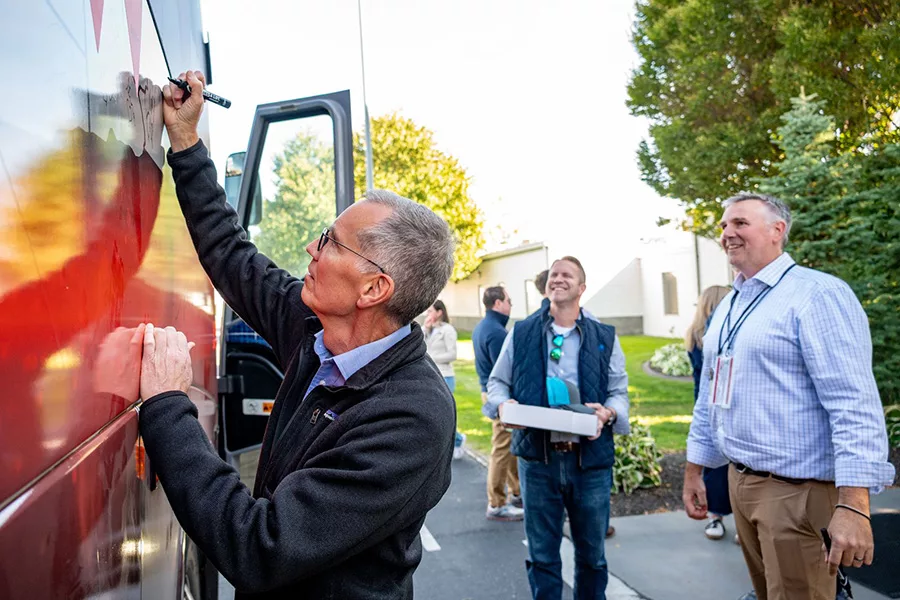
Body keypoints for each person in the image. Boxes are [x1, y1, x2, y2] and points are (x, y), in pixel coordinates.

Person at [136, 70, 458, 599]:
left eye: (331, 242)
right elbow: (234, 257)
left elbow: (258, 547)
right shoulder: (321, 332)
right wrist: (187, 142)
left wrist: (168, 405)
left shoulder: (412, 418)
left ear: (374, 289)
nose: (312, 247)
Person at [683, 193, 895, 600]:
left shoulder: (817, 295)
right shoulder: (731, 304)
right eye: (724, 226)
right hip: (740, 484)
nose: (727, 233)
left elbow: (853, 403)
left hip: (798, 493)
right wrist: (696, 469)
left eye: (740, 223)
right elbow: (711, 397)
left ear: (777, 230)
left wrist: (854, 505)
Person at [487, 256, 630, 600]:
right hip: (538, 463)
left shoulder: (603, 336)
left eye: (568, 275)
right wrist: (504, 405)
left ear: (582, 288)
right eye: (554, 274)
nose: (558, 279)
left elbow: (619, 393)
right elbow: (497, 384)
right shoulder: (521, 333)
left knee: (592, 558)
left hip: (590, 463)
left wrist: (607, 413)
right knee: (542, 557)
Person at [684, 285, 731, 541]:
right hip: (716, 401)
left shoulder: (694, 334)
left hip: (701, 401)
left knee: (713, 464)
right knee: (725, 463)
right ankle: (722, 514)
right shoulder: (709, 336)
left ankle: (715, 517)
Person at [473, 286, 523, 521]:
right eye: (509, 300)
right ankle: (496, 503)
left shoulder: (483, 327)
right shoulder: (497, 332)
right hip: (499, 397)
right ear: (498, 303)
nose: (511, 306)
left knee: (509, 445)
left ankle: (517, 491)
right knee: (502, 448)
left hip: (488, 392)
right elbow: (503, 372)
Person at [424, 299, 465, 458]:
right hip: (430, 375)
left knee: (443, 416)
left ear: (439, 312)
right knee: (431, 415)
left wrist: (431, 357)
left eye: (430, 311)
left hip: (445, 376)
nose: (428, 314)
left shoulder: (448, 330)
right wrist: (426, 330)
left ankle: (458, 439)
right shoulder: (427, 329)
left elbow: (452, 354)